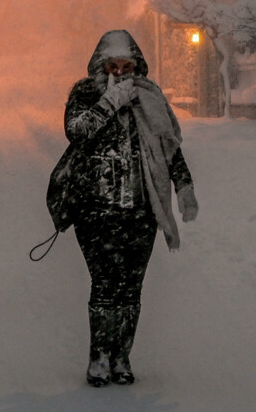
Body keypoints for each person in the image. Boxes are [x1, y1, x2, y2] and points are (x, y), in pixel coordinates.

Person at [50, 30, 199, 387]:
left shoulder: (149, 99)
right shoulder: (85, 94)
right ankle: (99, 357)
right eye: (112, 66)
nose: (119, 73)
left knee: (131, 289)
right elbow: (76, 132)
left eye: (126, 66)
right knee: (104, 285)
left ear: (137, 67)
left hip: (140, 213)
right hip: (96, 213)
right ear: (100, 65)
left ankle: (121, 357)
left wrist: (184, 186)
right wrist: (108, 103)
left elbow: (166, 146)